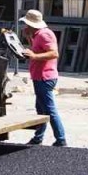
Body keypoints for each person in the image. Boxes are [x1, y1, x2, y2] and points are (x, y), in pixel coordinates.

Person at [19, 9, 67, 147]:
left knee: (49, 109)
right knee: (40, 108)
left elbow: (54, 53)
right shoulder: (37, 34)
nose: (25, 27)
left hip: (44, 77)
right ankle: (38, 137)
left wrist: (34, 56)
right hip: (39, 76)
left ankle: (61, 139)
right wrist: (29, 38)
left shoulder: (45, 34)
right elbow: (37, 49)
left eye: (27, 24)